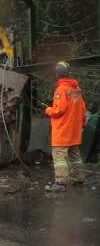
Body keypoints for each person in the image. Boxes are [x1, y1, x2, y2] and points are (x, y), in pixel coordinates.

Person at [44, 61, 87, 192]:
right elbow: (82, 108)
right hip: (74, 129)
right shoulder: (76, 88)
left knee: (60, 157)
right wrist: (82, 123)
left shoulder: (61, 89)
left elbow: (59, 110)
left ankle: (61, 183)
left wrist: (48, 110)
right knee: (75, 155)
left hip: (63, 130)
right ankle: (78, 178)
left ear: (57, 74)